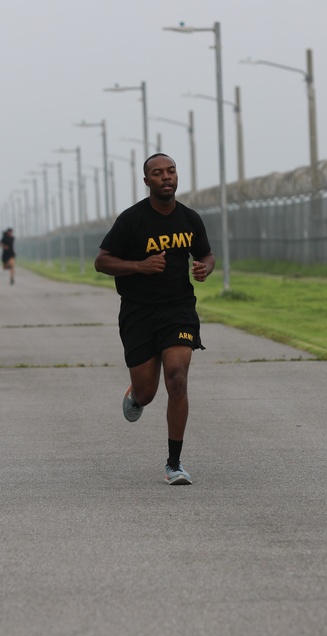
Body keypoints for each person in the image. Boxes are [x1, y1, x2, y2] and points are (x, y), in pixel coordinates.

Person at [94, 153, 215, 485]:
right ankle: (136, 393)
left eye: (171, 171)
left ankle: (174, 464)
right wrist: (139, 266)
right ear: (147, 181)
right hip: (138, 312)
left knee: (176, 378)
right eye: (158, 173)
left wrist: (206, 267)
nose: (166, 177)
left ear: (177, 177)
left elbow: (205, 253)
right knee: (148, 394)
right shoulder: (132, 220)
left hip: (178, 309)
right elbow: (101, 262)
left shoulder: (189, 219)